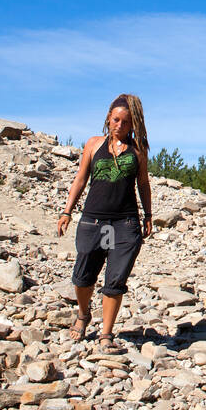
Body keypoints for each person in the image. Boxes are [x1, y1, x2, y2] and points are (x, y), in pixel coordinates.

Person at [57, 94, 153, 354]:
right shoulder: (93, 144)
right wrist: (67, 212)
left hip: (125, 223)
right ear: (108, 119)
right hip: (93, 220)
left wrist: (148, 215)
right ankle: (84, 313)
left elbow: (143, 184)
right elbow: (80, 180)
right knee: (83, 276)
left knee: (115, 278)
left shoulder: (138, 150)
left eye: (125, 122)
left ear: (134, 124)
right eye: (115, 120)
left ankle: (106, 334)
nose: (119, 125)